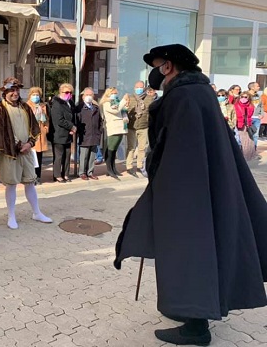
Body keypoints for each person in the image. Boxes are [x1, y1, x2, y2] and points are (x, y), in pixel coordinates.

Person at [114, 44, 267, 346]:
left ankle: (196, 327)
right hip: (205, 185)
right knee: (199, 249)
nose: (154, 71)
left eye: (157, 65)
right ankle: (190, 311)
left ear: (168, 66)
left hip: (186, 192)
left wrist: (162, 185)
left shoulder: (182, 97)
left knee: (190, 252)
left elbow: (177, 150)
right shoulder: (202, 93)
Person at [0, 78, 52, 229]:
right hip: (10, 153)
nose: (15, 93)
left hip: (26, 151)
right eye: (12, 90)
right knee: (11, 184)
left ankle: (36, 212)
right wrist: (19, 145)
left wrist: (29, 143)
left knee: (30, 181)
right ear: (5, 92)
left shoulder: (25, 106)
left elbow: (34, 128)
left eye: (17, 90)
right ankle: (11, 216)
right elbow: (0, 132)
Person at [125, 81, 154, 177]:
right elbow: (125, 110)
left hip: (144, 126)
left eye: (141, 87)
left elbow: (152, 112)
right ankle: (129, 166)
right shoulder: (129, 98)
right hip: (132, 126)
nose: (139, 89)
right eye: (137, 87)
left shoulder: (149, 99)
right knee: (131, 147)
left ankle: (139, 165)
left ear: (144, 88)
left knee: (142, 148)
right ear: (134, 88)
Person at [100, 87, 129, 180]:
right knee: (111, 149)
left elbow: (121, 109)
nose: (115, 95)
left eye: (116, 93)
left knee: (114, 149)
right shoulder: (106, 103)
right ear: (108, 93)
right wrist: (123, 100)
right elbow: (115, 110)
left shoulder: (116, 101)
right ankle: (109, 169)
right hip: (113, 128)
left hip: (120, 128)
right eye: (114, 93)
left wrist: (126, 105)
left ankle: (113, 168)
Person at [50, 83, 76, 183]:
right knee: (59, 156)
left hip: (68, 134)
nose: (69, 94)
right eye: (66, 92)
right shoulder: (57, 103)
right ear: (60, 92)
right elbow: (59, 120)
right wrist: (71, 126)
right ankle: (57, 175)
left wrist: (72, 127)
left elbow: (73, 116)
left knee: (68, 154)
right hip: (59, 133)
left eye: (70, 92)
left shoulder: (70, 103)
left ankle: (66, 173)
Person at [76, 88, 102, 180]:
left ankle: (90, 172)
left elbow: (100, 121)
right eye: (87, 95)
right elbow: (77, 121)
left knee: (92, 155)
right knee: (84, 155)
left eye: (91, 95)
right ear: (83, 97)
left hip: (95, 135)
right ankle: (82, 172)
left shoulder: (96, 108)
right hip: (85, 135)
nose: (89, 97)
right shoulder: (80, 108)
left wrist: (99, 132)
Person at [26, 86, 49, 185]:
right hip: (31, 135)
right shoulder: (26, 106)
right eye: (33, 95)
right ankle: (31, 177)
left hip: (40, 135)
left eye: (37, 95)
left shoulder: (43, 106)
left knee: (39, 158)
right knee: (31, 158)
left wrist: (45, 129)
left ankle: (38, 177)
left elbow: (47, 120)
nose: (36, 97)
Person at [235, 91, 257, 160]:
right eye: (242, 97)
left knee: (248, 141)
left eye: (245, 97)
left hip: (247, 126)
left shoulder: (251, 106)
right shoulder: (236, 105)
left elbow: (250, 116)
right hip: (238, 125)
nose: (243, 98)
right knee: (239, 140)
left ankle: (247, 156)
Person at [248, 82, 262, 148]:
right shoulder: (246, 95)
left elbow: (261, 106)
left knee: (255, 135)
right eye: (257, 86)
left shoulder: (258, 96)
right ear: (252, 87)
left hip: (257, 118)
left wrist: (261, 114)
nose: (259, 87)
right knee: (247, 134)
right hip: (248, 118)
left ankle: (254, 149)